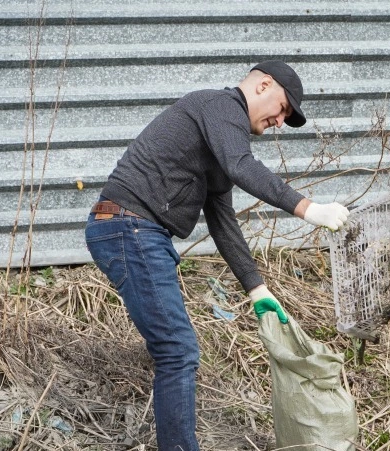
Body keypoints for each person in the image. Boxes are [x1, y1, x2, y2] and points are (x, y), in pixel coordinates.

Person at [84, 61, 349, 451]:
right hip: (130, 227)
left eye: (287, 117)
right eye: (282, 108)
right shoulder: (220, 107)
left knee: (175, 350)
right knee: (178, 351)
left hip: (135, 230)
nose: (280, 120)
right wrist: (309, 208)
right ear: (263, 85)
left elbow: (222, 221)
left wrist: (256, 288)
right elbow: (242, 166)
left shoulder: (220, 139)